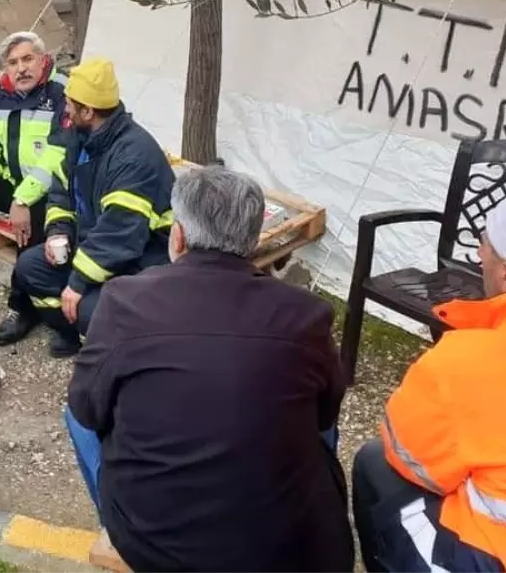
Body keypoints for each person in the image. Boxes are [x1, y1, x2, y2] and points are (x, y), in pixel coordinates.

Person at [65, 166, 353, 573]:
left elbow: (87, 408)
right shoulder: (307, 314)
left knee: (77, 414)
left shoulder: (124, 300)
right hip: (298, 554)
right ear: (253, 239)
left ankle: (116, 529)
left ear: (177, 236)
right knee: (315, 417)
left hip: (159, 549)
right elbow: (326, 414)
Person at [353, 181, 506, 573]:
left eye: (486, 245)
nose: (479, 253)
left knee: (375, 463)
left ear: (505, 275)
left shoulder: (462, 361)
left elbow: (412, 461)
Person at [0, 58, 174, 356]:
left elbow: (119, 236)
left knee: (90, 310)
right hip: (94, 248)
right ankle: (74, 331)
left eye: (69, 103)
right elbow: (61, 192)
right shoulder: (81, 139)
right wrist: (58, 232)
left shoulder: (133, 157)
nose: (64, 109)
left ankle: (102, 343)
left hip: (140, 261)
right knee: (29, 267)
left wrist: (78, 283)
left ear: (88, 111)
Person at [0, 31, 69, 250]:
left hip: (50, 193)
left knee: (31, 255)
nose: (21, 69)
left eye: (27, 59)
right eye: (13, 63)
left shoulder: (61, 91)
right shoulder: (3, 91)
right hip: (13, 183)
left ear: (43, 59)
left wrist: (23, 200)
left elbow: (58, 153)